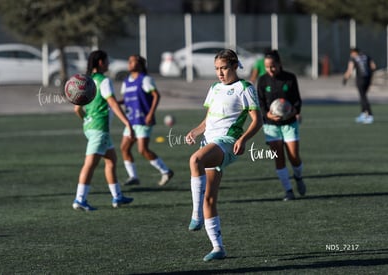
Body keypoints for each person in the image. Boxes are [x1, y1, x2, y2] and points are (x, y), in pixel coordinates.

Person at [185, 49, 262, 261]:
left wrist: (243, 139)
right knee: (208, 198)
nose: (220, 73)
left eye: (224, 68)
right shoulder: (214, 88)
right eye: (217, 69)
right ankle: (218, 247)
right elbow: (208, 119)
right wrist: (195, 131)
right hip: (210, 142)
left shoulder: (244, 88)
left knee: (195, 159)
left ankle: (195, 215)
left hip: (227, 143)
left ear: (235, 66)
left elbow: (257, 120)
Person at [72, 50, 134, 211]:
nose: (108, 64)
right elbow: (112, 103)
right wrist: (127, 123)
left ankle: (117, 197)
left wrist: (87, 120)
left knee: (111, 160)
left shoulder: (87, 81)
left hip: (90, 126)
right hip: (99, 128)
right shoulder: (103, 81)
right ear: (100, 62)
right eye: (106, 61)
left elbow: (77, 109)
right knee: (90, 165)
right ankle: (80, 199)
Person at [257, 50, 306, 201]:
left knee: (294, 157)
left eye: (272, 66)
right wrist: (268, 115)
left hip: (289, 123)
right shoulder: (263, 80)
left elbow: (297, 100)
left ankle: (298, 177)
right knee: (279, 158)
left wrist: (293, 112)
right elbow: (261, 103)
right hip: (271, 126)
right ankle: (288, 191)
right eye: (267, 67)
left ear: (279, 64)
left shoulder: (290, 78)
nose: (270, 70)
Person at [120, 54, 174, 186]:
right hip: (130, 120)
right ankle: (133, 177)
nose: (130, 64)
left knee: (142, 150)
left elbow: (156, 96)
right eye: (129, 61)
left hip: (143, 120)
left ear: (140, 64)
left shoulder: (145, 79)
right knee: (124, 148)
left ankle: (166, 171)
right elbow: (126, 99)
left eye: (133, 61)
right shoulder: (126, 81)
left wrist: (150, 114)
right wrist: (114, 102)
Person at [342, 48, 377, 124]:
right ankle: (363, 113)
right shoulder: (366, 56)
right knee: (363, 96)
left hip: (360, 79)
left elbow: (350, 70)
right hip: (368, 79)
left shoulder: (354, 58)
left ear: (354, 52)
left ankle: (370, 115)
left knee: (363, 97)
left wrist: (345, 79)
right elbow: (373, 66)